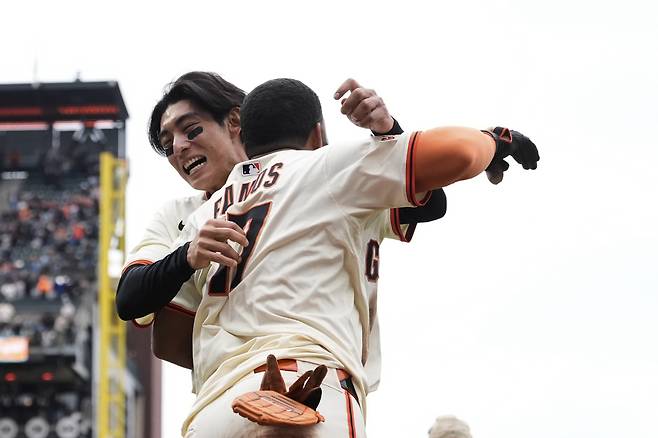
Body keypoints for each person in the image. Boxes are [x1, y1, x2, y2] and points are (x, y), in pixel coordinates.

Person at [169, 78, 539, 437]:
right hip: (301, 385)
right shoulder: (328, 167)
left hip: (211, 409)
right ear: (317, 134)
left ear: (245, 141)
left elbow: (157, 318)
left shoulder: (206, 213)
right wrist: (492, 141)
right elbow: (459, 152)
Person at [116, 72, 447, 378]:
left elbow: (428, 205)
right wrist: (186, 257)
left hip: (311, 371)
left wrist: (387, 130)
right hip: (235, 383)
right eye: (166, 142)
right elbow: (130, 297)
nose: (177, 147)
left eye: (191, 130)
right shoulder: (182, 216)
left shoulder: (312, 172)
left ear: (235, 121)